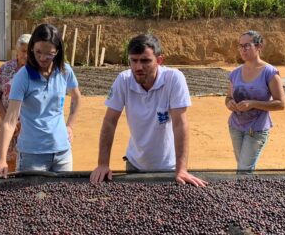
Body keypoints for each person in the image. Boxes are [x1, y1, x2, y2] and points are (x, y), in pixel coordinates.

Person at [89, 33, 207, 187]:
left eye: (145, 61)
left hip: (169, 167)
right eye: (134, 61)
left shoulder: (174, 79)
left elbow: (180, 124)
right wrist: (103, 163)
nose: (138, 67)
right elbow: (110, 122)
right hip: (135, 164)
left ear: (159, 60)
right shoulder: (123, 80)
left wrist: (182, 169)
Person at [0, 24, 81, 181]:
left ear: (58, 52)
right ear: (32, 49)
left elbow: (77, 97)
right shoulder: (22, 77)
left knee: (63, 200)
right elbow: (10, 121)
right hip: (32, 155)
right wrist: (1, 159)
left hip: (62, 153)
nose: (43, 58)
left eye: (49, 54)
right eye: (38, 52)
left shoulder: (65, 70)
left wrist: (70, 125)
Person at [225, 30, 285, 171]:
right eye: (240, 46)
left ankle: (242, 193)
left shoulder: (269, 72)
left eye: (247, 45)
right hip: (235, 127)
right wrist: (230, 103)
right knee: (243, 167)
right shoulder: (235, 73)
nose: (242, 49)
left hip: (256, 129)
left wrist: (252, 104)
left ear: (258, 47)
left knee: (244, 169)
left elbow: (281, 104)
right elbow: (228, 97)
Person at [0, 33, 31, 172]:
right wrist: (6, 118)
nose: (26, 55)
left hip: (29, 126)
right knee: (7, 160)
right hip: (7, 123)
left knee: (28, 160)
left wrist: (21, 123)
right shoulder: (5, 69)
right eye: (23, 51)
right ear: (17, 51)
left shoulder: (37, 71)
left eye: (30, 51)